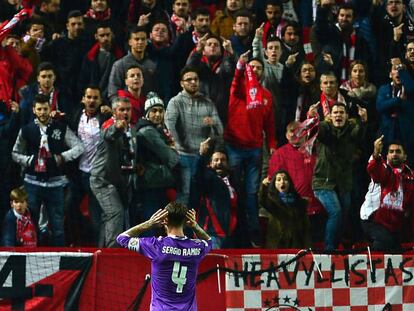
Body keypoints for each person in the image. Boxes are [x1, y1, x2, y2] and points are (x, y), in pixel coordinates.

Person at [12, 94, 84, 246]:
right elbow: (15, 153)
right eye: (39, 109)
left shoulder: (61, 128)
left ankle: (59, 262)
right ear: (34, 110)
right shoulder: (27, 130)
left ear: (50, 108)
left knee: (57, 226)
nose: (43, 112)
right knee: (32, 223)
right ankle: (35, 259)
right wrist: (29, 161)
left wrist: (62, 157)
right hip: (32, 182)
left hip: (55, 184)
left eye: (45, 109)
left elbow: (79, 147)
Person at [116, 202, 212, 311]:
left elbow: (122, 238)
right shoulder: (196, 248)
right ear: (186, 221)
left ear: (165, 220)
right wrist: (195, 226)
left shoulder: (156, 246)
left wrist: (149, 223)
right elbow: (209, 241)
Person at [224, 51, 276, 247]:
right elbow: (236, 81)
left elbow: (270, 124)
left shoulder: (267, 96)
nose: (255, 70)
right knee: (236, 192)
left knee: (252, 193)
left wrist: (271, 144)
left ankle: (254, 235)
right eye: (252, 67)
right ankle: (236, 235)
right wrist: (239, 66)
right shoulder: (238, 90)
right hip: (234, 147)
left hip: (255, 149)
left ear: (263, 72)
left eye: (258, 68)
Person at [308, 102, 368, 251]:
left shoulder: (351, 131)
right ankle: (329, 249)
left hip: (343, 183)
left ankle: (335, 247)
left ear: (347, 116)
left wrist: (363, 121)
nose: (338, 115)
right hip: (323, 182)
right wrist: (312, 118)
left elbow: (359, 134)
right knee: (336, 212)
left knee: (343, 216)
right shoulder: (325, 128)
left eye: (341, 112)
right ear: (330, 116)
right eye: (335, 113)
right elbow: (319, 131)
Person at [165, 66, 223, 207]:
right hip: (183, 156)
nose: (193, 82)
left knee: (201, 196)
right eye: (188, 79)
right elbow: (169, 127)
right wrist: (179, 146)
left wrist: (213, 122)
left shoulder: (207, 103)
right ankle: (179, 228)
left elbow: (220, 131)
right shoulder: (175, 102)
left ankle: (197, 227)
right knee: (184, 194)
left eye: (195, 79)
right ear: (182, 83)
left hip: (203, 157)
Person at [90, 96, 137, 247]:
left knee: (109, 217)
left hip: (119, 180)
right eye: (121, 110)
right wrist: (117, 128)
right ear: (114, 111)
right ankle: (111, 254)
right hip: (102, 179)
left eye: (128, 109)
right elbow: (109, 134)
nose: (125, 113)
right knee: (115, 213)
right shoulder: (109, 124)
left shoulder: (132, 129)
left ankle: (102, 252)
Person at [136, 92, 179, 228]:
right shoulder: (147, 131)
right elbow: (171, 156)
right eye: (154, 111)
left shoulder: (159, 129)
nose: (158, 114)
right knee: (152, 220)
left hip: (157, 181)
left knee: (158, 220)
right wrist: (174, 150)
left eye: (161, 111)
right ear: (147, 113)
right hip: (151, 181)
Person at [364, 136, 414, 251]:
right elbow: (375, 171)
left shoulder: (411, 177)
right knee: (384, 243)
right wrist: (376, 154)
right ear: (387, 156)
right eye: (391, 152)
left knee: (399, 249)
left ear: (405, 156)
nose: (394, 154)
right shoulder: (383, 169)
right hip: (373, 219)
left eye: (398, 152)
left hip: (395, 223)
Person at [191, 139, 238, 249]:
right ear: (210, 164)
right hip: (210, 235)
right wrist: (200, 155)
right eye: (216, 160)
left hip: (230, 236)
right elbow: (196, 177)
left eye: (223, 160)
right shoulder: (209, 180)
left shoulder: (234, 182)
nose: (219, 163)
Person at [259, 170, 310, 249]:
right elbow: (262, 200)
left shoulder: (299, 202)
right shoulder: (272, 201)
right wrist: (264, 187)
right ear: (274, 183)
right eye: (278, 179)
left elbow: (306, 228)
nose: (282, 182)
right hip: (277, 245)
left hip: (296, 246)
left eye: (285, 179)